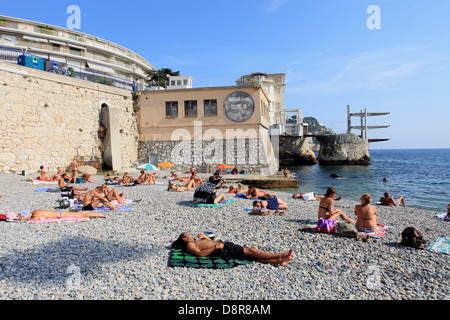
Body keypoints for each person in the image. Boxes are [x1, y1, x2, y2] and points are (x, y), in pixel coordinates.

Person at [173, 232, 294, 267]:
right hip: (225, 249)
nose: (190, 234)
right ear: (184, 239)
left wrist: (205, 238)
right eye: (187, 234)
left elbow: (205, 245)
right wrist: (215, 247)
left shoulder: (195, 241)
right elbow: (200, 254)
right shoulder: (189, 245)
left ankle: (279, 261)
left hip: (224, 246)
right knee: (251, 251)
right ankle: (279, 255)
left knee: (252, 256)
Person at [18, 209, 106, 221]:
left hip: (61, 215)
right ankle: (95, 213)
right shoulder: (36, 210)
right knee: (79, 214)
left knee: (80, 216)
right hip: (60, 212)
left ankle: (98, 215)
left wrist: (24, 219)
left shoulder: (35, 215)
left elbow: (35, 220)